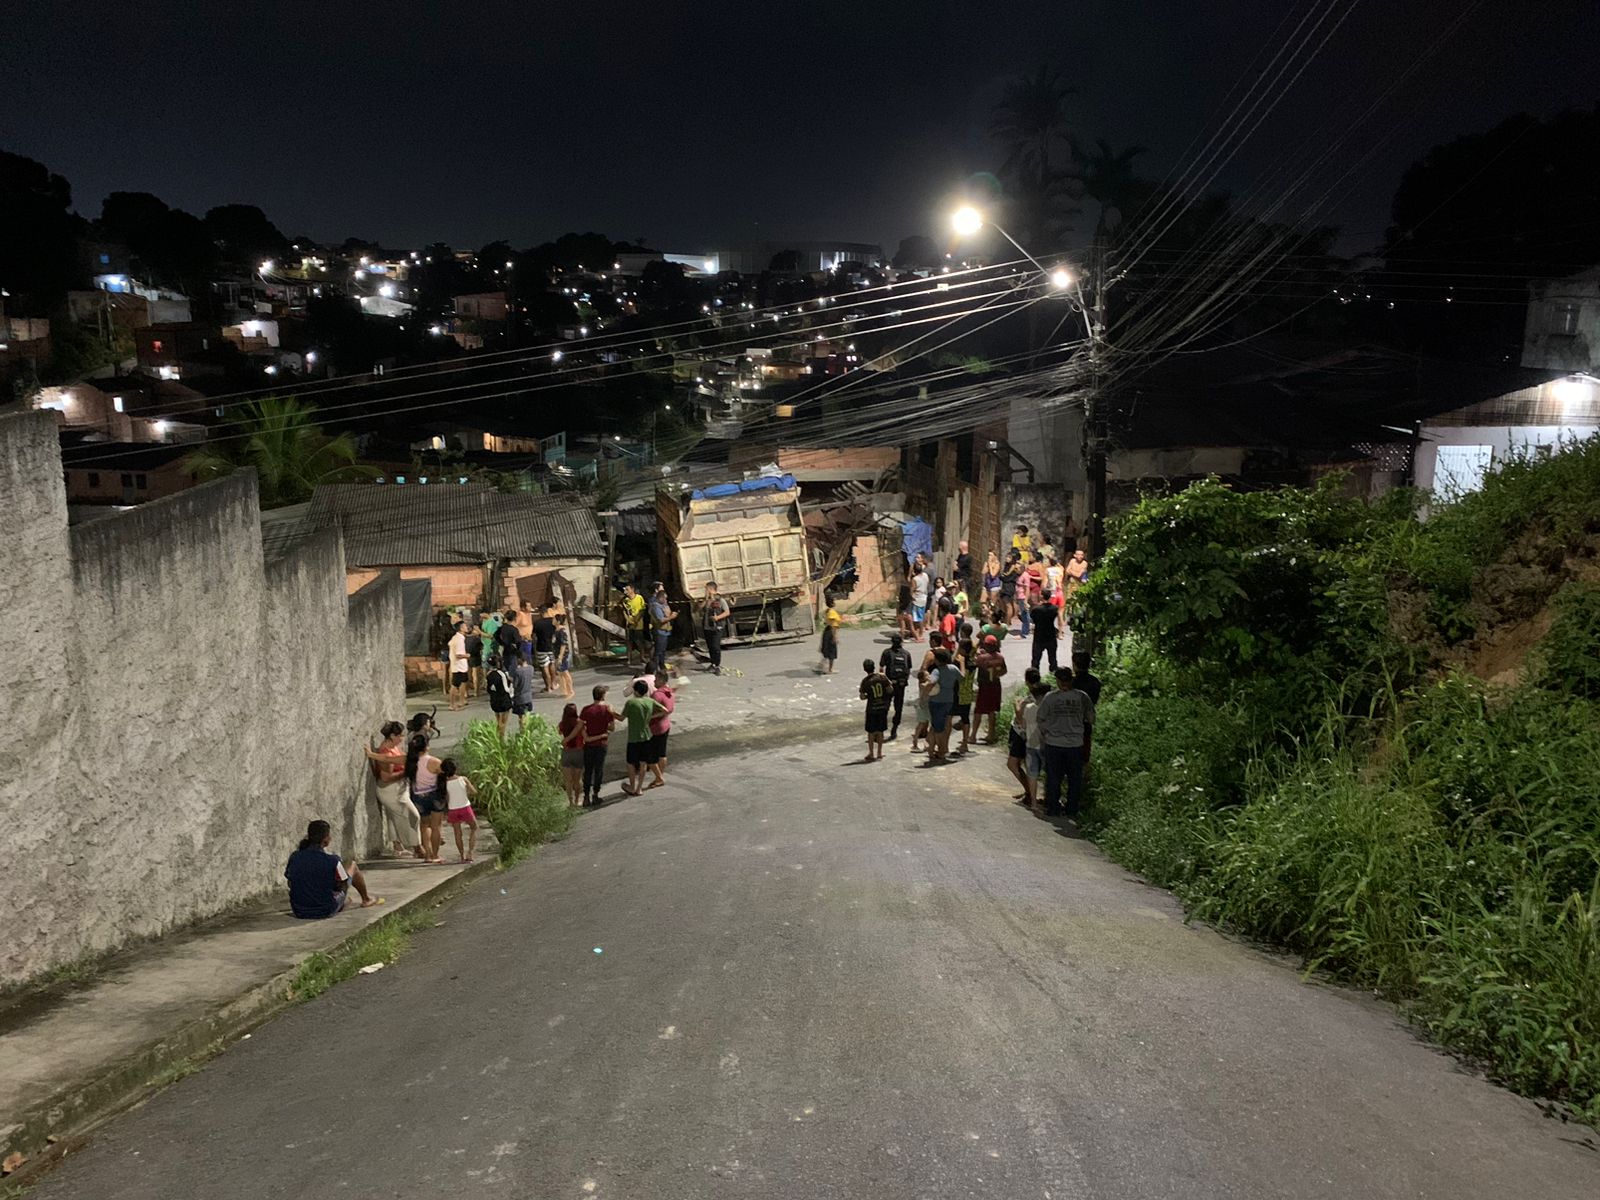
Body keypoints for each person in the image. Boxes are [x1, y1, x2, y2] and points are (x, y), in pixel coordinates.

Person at [285, 820, 382, 917]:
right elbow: (343, 884)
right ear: (326, 841)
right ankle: (366, 899)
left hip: (298, 909)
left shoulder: (295, 857)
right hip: (325, 909)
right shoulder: (333, 861)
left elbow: (290, 882)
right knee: (353, 866)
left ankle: (343, 901)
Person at [1036, 666, 1095, 818]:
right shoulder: (1082, 697)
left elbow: (1040, 718)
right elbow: (1091, 718)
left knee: (1054, 778)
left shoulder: (1050, 698)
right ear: (1071, 680)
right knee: (1074, 780)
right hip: (1075, 744)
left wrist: (1047, 732)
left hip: (1054, 743)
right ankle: (1072, 810)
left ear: (1057, 680)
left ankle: (1053, 808)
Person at [364, 722, 423, 859]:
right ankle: (417, 846)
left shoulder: (395, 748)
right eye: (400, 735)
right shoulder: (387, 751)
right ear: (392, 736)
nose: (402, 738)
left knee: (393, 817)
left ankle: (397, 846)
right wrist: (406, 772)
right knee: (412, 816)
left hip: (400, 788)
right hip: (391, 791)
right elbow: (385, 775)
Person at [405, 733, 447, 862]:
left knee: (424, 826)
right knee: (436, 826)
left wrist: (372, 754)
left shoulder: (410, 762)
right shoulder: (434, 762)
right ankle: (435, 855)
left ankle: (427, 855)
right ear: (427, 746)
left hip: (418, 796)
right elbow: (446, 774)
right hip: (434, 795)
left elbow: (386, 759)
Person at [621, 679, 667, 797]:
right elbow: (665, 710)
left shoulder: (631, 703)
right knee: (643, 763)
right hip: (646, 736)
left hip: (634, 737)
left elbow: (621, 718)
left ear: (635, 691)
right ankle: (639, 788)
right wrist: (652, 716)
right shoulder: (650, 701)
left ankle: (632, 786)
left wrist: (610, 712)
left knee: (631, 763)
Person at [579, 684, 621, 807]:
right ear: (603, 696)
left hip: (589, 744)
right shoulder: (607, 709)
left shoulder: (586, 709)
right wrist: (604, 727)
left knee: (588, 770)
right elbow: (612, 728)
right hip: (601, 743)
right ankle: (595, 795)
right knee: (598, 770)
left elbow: (581, 725)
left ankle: (586, 796)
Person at [1006, 668, 1042, 804]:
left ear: (1027, 680)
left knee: (1012, 764)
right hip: (1030, 734)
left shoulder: (1031, 698)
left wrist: (1016, 705)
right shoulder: (1042, 694)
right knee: (1022, 764)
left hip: (1021, 734)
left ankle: (1029, 792)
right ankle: (1028, 791)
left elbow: (1021, 719)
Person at [438, 758, 479, 862]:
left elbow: (447, 798)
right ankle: (470, 853)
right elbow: (474, 791)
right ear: (455, 769)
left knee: (457, 833)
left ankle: (461, 855)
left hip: (453, 809)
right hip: (465, 807)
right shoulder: (463, 779)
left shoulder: (444, 783)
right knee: (474, 828)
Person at [925, 648, 960, 763]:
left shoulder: (937, 671)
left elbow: (932, 682)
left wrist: (924, 693)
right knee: (943, 725)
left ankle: (941, 751)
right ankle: (938, 749)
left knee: (938, 728)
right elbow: (962, 678)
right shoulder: (953, 668)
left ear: (938, 660)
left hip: (937, 701)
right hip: (949, 700)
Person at [879, 633, 913, 741]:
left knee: (885, 707)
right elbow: (908, 669)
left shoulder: (887, 652)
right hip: (901, 685)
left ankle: (881, 730)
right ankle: (894, 729)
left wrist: (884, 682)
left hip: (889, 684)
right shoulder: (906, 654)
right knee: (898, 708)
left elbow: (881, 668)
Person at [974, 635, 1008, 743]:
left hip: (984, 686)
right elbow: (1004, 671)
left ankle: (972, 735)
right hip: (996, 684)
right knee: (992, 711)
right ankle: (991, 734)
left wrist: (978, 653)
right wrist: (996, 674)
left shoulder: (982, 658)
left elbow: (974, 661)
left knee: (978, 710)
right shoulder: (1000, 657)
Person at [857, 657, 892, 761]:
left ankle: (871, 753)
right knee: (880, 731)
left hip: (872, 708)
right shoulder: (882, 678)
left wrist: (869, 696)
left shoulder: (865, 681)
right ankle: (880, 753)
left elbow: (862, 697)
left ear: (865, 669)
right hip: (882, 707)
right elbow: (890, 689)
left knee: (871, 732)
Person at [647, 677, 675, 787]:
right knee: (662, 753)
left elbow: (650, 710)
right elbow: (670, 709)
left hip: (656, 727)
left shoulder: (657, 695)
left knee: (649, 755)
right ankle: (660, 776)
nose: (654, 682)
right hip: (666, 725)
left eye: (656, 680)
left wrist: (649, 717)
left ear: (662, 681)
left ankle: (659, 778)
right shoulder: (670, 693)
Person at [951, 638, 977, 755]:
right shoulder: (973, 661)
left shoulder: (959, 662)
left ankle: (943, 745)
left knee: (949, 716)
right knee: (965, 718)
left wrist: (958, 657)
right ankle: (965, 743)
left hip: (957, 692)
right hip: (967, 693)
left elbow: (960, 675)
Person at [557, 703, 586, 807]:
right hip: (578, 752)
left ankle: (570, 802)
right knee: (577, 780)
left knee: (568, 781)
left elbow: (559, 732)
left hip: (566, 753)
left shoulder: (562, 723)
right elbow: (584, 735)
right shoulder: (579, 723)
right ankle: (577, 800)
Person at [700, 580, 730, 675]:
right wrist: (706, 599)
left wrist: (717, 617)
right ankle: (712, 663)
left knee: (715, 646)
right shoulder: (706, 600)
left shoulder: (720, 600)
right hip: (707, 627)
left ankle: (717, 665)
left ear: (711, 589)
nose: (705, 591)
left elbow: (727, 612)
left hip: (717, 627)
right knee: (710, 647)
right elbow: (699, 608)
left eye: (706, 589)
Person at [648, 584, 676, 678]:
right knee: (658, 651)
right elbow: (661, 620)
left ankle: (662, 666)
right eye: (664, 599)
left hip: (666, 631)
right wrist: (671, 617)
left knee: (663, 651)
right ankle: (655, 668)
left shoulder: (664, 605)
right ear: (660, 598)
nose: (666, 600)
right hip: (659, 631)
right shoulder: (656, 607)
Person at [1030, 589, 1060, 672]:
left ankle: (1034, 677)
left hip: (1039, 635)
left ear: (1042, 596)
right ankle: (1054, 675)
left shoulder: (1036, 609)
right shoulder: (1054, 608)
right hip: (1051, 634)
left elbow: (1033, 619)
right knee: (1053, 659)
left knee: (1036, 659)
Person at [485, 655, 514, 737]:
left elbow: (489, 688)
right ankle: (501, 738)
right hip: (503, 700)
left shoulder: (488, 674)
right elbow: (506, 689)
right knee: (503, 722)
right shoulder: (502, 674)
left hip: (494, 700)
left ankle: (497, 737)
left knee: (498, 720)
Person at [620, 583, 648, 667]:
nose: (625, 591)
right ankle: (629, 658)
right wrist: (628, 619)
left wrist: (637, 619)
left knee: (639, 641)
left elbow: (642, 610)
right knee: (629, 641)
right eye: (625, 590)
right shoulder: (625, 601)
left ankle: (642, 657)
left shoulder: (639, 598)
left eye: (627, 589)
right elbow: (624, 611)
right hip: (629, 624)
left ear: (632, 589)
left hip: (638, 624)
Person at [532, 606, 558, 692]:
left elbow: (534, 636)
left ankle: (548, 687)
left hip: (541, 647)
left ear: (540, 612)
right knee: (552, 664)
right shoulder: (553, 621)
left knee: (544, 667)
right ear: (547, 611)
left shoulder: (537, 623)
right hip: (551, 646)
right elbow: (556, 632)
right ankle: (554, 684)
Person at [910, 664, 934, 754]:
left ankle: (917, 741)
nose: (929, 676)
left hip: (923, 706)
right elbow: (929, 684)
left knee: (922, 723)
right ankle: (925, 741)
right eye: (927, 675)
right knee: (927, 723)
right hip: (924, 707)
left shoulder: (924, 683)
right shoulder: (923, 684)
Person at [510, 650, 537, 729]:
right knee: (527, 715)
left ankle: (522, 731)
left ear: (519, 660)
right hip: (528, 696)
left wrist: (511, 679)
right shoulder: (531, 668)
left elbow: (515, 685)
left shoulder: (518, 671)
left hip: (520, 697)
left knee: (521, 717)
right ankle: (527, 730)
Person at [446, 621, 470, 711]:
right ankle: (452, 704)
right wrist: (467, 655)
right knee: (455, 685)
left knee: (463, 682)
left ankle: (462, 700)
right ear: (460, 628)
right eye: (464, 626)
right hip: (458, 666)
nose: (466, 627)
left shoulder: (457, 638)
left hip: (461, 666)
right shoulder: (459, 640)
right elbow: (458, 654)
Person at [553, 615, 575, 698]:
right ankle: (564, 691)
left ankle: (571, 691)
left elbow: (563, 644)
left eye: (554, 619)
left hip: (562, 655)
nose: (553, 621)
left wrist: (560, 656)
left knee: (565, 672)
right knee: (560, 673)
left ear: (558, 621)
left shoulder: (561, 631)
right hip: (557, 653)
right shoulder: (556, 630)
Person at [819, 595, 841, 673]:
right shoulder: (832, 613)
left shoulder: (827, 611)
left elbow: (826, 622)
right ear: (832, 603)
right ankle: (830, 669)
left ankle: (822, 666)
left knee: (826, 649)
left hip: (826, 630)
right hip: (831, 631)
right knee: (832, 651)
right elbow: (833, 626)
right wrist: (835, 636)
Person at [909, 562, 930, 640]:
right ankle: (919, 631)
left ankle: (920, 633)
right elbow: (927, 585)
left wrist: (912, 596)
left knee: (918, 617)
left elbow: (912, 589)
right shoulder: (925, 575)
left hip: (917, 598)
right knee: (922, 614)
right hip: (924, 596)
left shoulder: (915, 579)